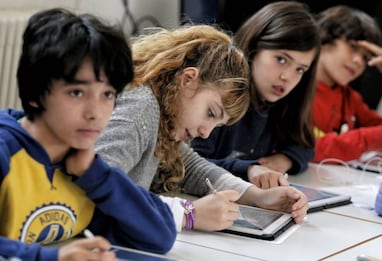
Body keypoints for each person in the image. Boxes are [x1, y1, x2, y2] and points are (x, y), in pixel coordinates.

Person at [95, 24, 309, 233]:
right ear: (188, 79)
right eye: (210, 113)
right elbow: (97, 184)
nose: (206, 132)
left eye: (217, 125)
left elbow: (191, 166)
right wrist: (188, 214)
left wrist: (256, 196)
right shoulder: (142, 107)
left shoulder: (163, 119)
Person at [0, 8, 176, 261]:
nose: (95, 113)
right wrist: (52, 258)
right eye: (76, 93)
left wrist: (98, 176)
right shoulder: (6, 151)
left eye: (108, 95)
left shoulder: (82, 167)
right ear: (36, 92)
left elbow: (159, 236)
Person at [191, 1, 320, 188]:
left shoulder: (281, 100)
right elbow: (189, 164)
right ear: (254, 49)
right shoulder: (219, 92)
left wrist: (286, 159)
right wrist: (249, 169)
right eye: (281, 59)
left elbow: (305, 144)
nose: (287, 77)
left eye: (300, 69)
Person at [311, 5, 382, 163]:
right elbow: (300, 149)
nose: (359, 61)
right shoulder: (292, 83)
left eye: (366, 57)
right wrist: (368, 139)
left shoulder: (349, 98)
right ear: (324, 36)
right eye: (353, 47)